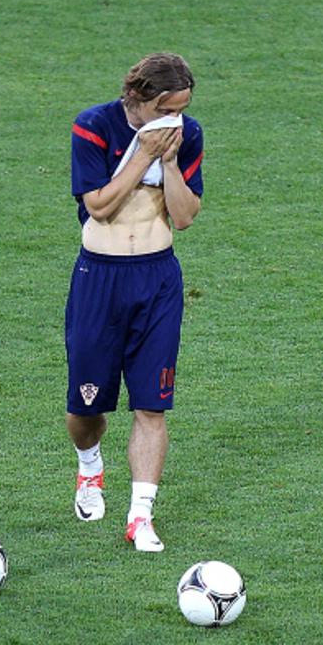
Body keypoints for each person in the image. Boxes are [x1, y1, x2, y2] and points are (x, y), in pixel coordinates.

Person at [65, 53, 204, 552]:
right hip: (99, 280)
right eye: (167, 109)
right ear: (139, 99)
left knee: (152, 406)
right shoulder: (94, 126)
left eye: (183, 109)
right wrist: (144, 155)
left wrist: (169, 162)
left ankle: (140, 515)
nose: (176, 120)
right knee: (85, 409)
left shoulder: (186, 135)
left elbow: (185, 217)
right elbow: (98, 207)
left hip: (158, 280)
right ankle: (89, 468)